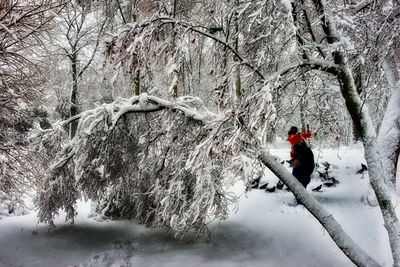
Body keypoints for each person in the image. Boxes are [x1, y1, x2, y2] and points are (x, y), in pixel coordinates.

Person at [287, 126, 315, 205]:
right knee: (300, 181)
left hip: (304, 170)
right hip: (305, 169)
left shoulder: (299, 147)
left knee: (299, 181)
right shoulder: (300, 146)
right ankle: (300, 197)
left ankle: (300, 199)